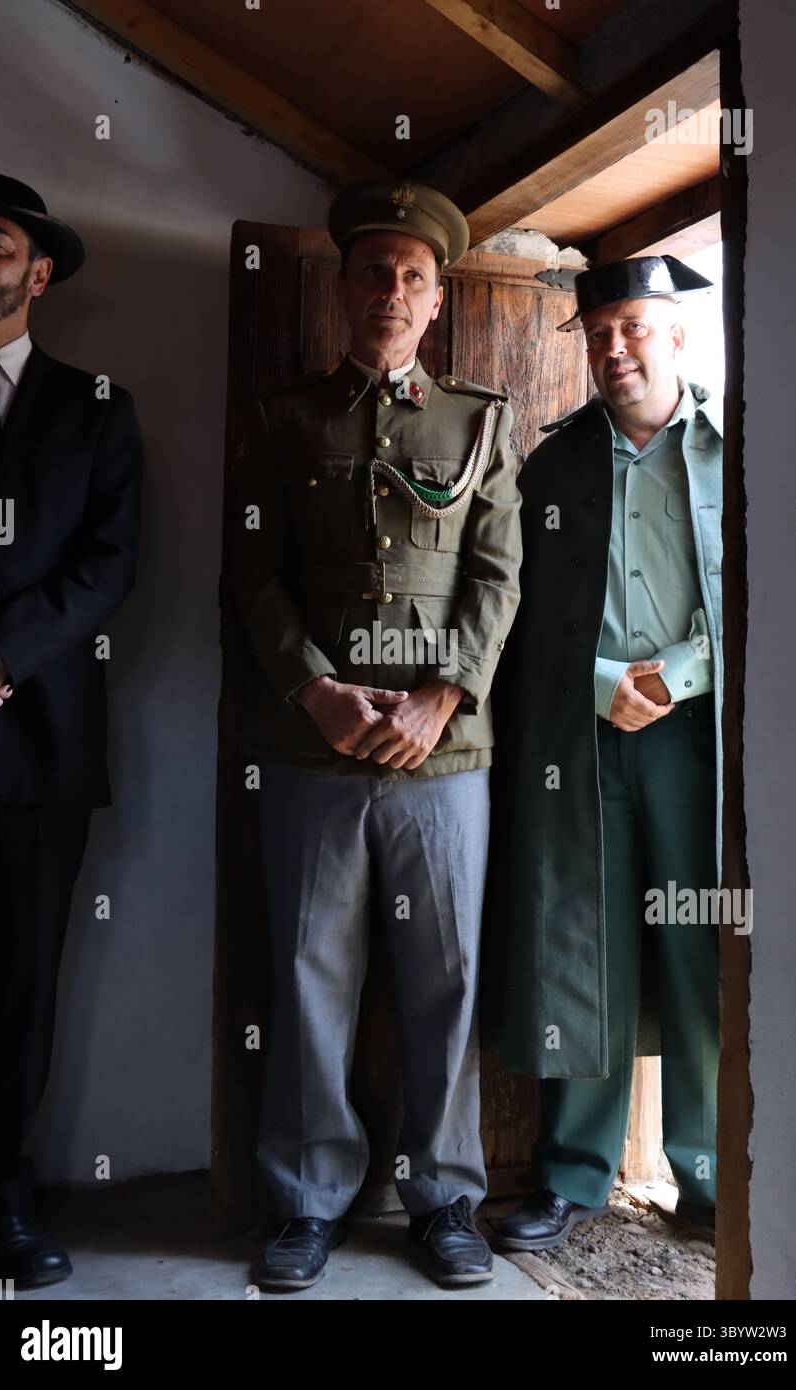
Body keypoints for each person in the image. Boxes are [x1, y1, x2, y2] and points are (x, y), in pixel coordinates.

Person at [235, 180, 522, 1290]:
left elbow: (495, 577)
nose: (390, 291)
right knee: (310, 973)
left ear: (436, 298)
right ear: (343, 289)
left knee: (444, 979)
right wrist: (315, 691)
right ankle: (307, 1197)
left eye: (411, 275)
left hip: (442, 754)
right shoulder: (280, 418)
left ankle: (444, 1198)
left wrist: (439, 699)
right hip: (314, 747)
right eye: (372, 271)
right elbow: (255, 575)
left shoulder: (478, 420)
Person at [480, 254, 723, 1249]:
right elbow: (519, 613)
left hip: (697, 744)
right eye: (597, 334)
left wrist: (679, 674)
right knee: (584, 942)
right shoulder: (552, 466)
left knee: (700, 947)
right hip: (579, 744)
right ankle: (571, 1174)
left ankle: (710, 1178)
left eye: (632, 328)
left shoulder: (736, 454)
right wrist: (600, 684)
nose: (613, 349)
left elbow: (779, 594)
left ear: (676, 335)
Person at [0, 171, 142, 1286]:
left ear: (37, 272)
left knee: (20, 987)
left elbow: (110, 564)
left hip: (39, 741)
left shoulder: (97, 407)